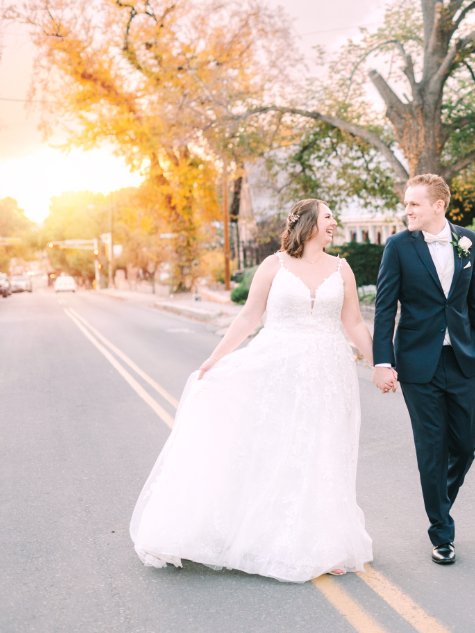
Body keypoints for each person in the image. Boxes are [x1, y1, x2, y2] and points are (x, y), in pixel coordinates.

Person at [130, 199, 377, 583]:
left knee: (324, 450)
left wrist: (380, 363)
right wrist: (214, 359)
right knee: (281, 448)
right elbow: (248, 317)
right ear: (309, 224)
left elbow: (355, 323)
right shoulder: (273, 266)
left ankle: (323, 543)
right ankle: (268, 534)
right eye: (328, 217)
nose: (334, 223)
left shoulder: (342, 268)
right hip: (278, 368)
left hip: (330, 373)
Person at [371, 174, 475, 566]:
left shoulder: (468, 240)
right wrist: (382, 360)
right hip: (418, 362)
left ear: (438, 206)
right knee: (431, 447)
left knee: (466, 444)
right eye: (406, 204)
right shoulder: (398, 247)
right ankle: (441, 532)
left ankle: (439, 500)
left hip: (463, 360)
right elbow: (385, 308)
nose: (407, 211)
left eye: (414, 205)